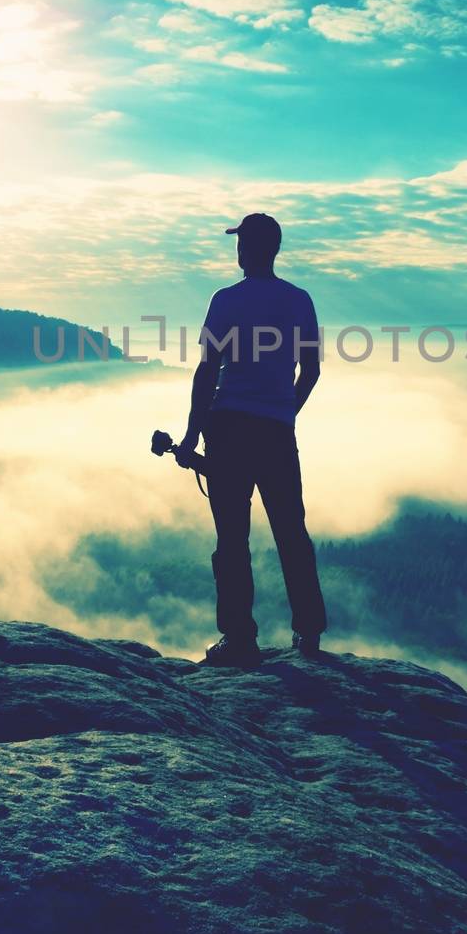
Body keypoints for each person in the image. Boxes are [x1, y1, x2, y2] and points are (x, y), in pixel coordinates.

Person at [176, 213, 329, 668]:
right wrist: (284, 412)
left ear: (247, 250)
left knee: (232, 538)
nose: (237, 250)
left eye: (240, 243)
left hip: (227, 431)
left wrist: (189, 437)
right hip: (277, 434)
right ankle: (309, 631)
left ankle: (240, 638)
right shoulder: (299, 301)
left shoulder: (225, 301)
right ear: (276, 250)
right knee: (290, 532)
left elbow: (208, 372)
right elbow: (312, 371)